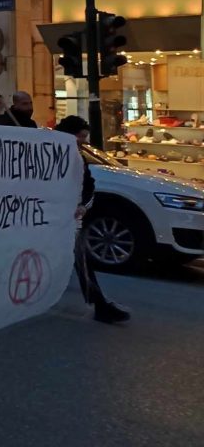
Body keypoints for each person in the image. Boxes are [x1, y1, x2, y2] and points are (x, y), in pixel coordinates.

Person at [55, 115, 131, 324]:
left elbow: (88, 184)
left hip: (68, 218)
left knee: (82, 259)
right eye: (81, 136)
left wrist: (83, 206)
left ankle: (99, 303)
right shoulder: (50, 152)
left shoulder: (77, 155)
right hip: (49, 217)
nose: (83, 141)